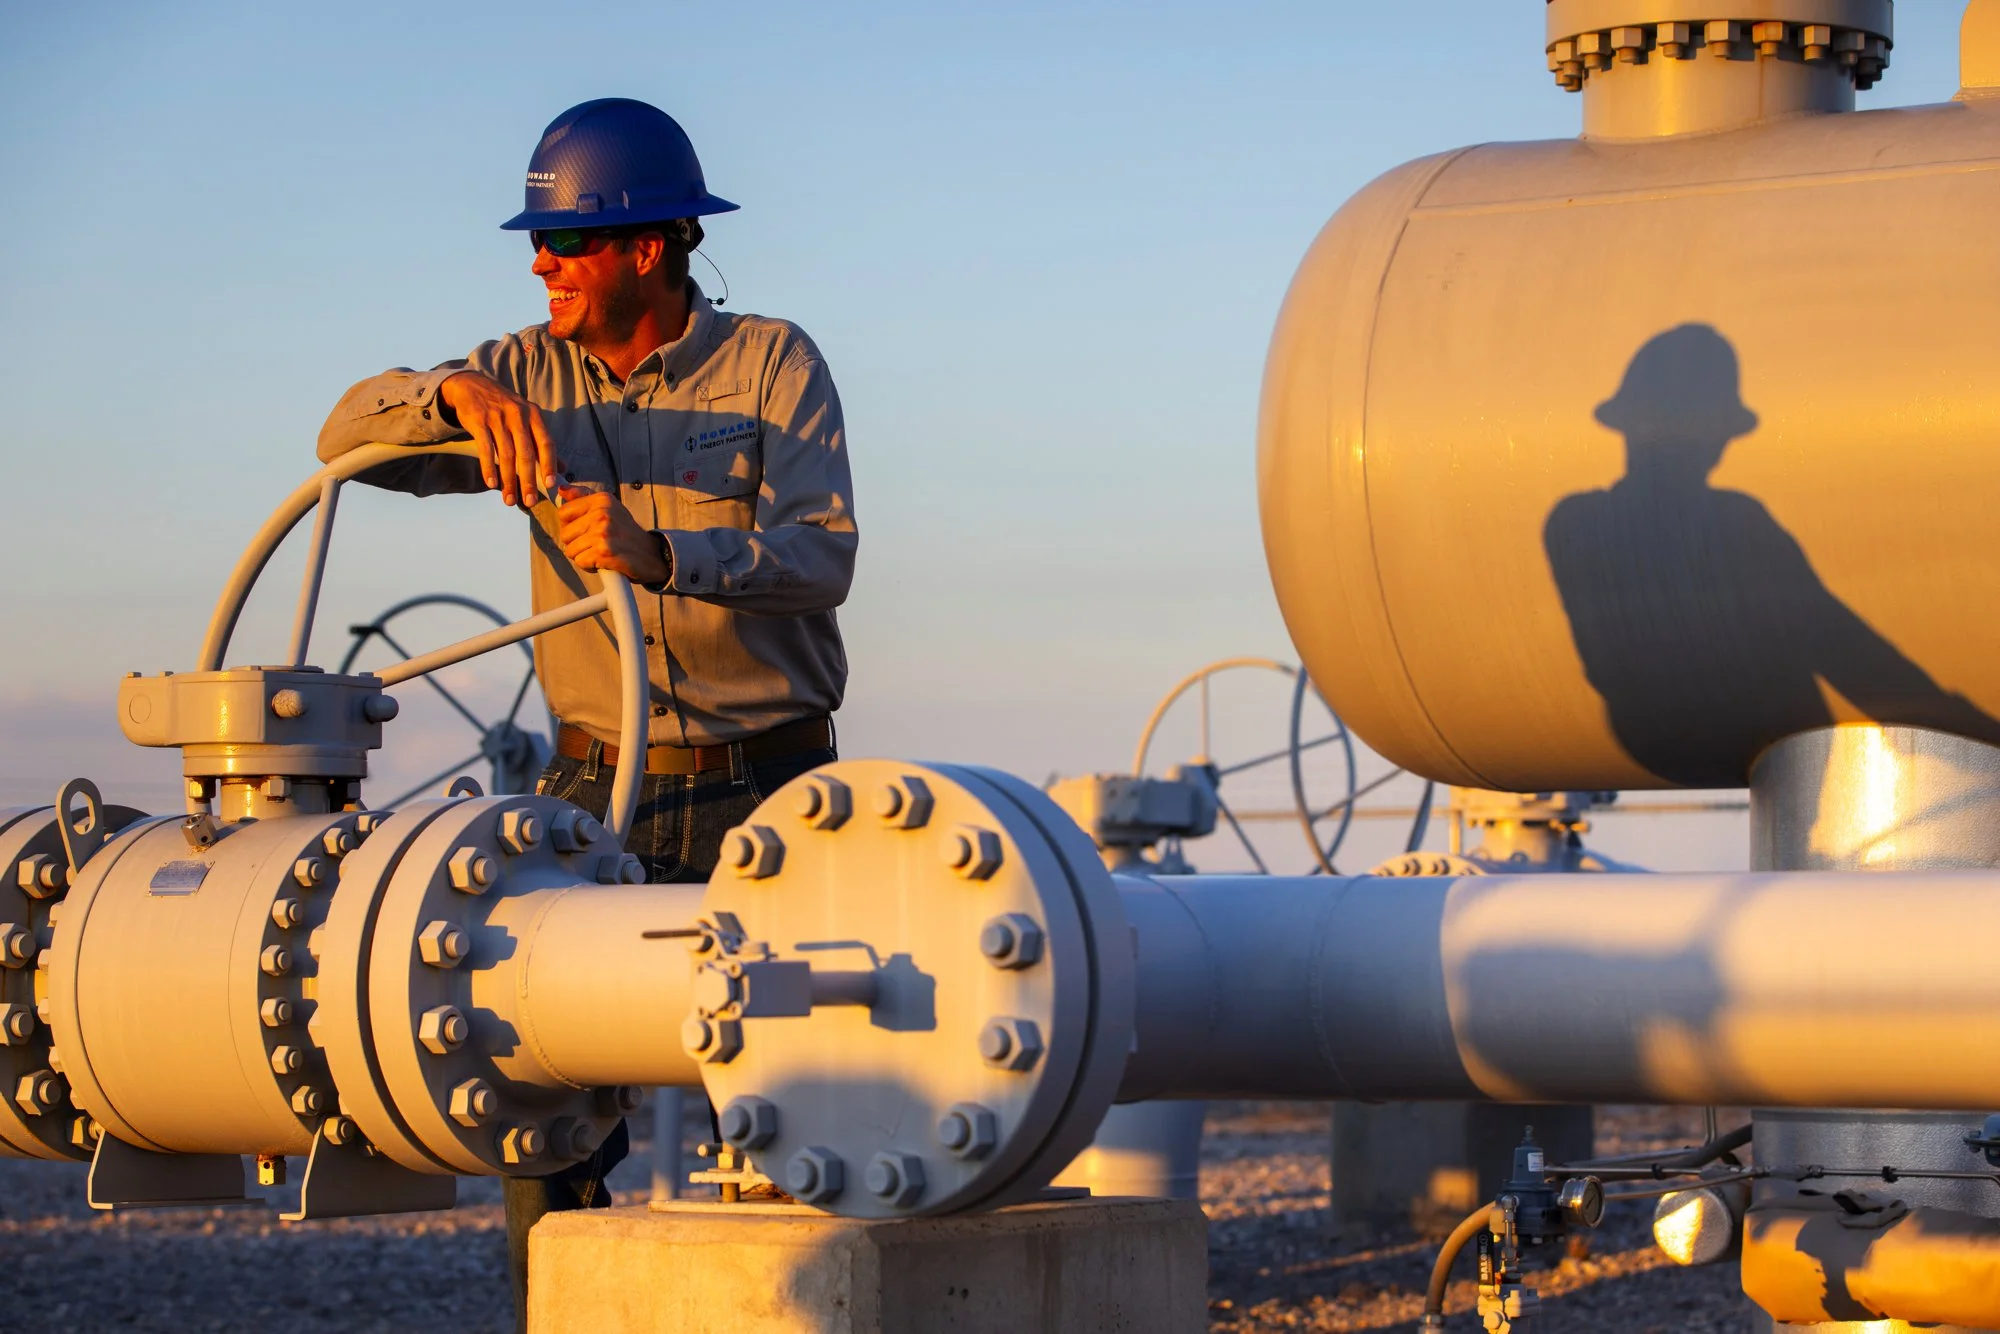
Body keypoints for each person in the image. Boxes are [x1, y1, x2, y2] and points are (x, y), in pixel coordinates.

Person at [314, 97, 857, 1332]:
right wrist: (450, 391)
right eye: (537, 245)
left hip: (759, 786)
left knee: (778, 1112)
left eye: (564, 245)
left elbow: (820, 558)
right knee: (534, 1106)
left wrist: (657, 551)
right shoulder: (520, 374)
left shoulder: (773, 364)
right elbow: (341, 432)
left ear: (648, 250)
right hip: (586, 789)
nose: (539, 264)